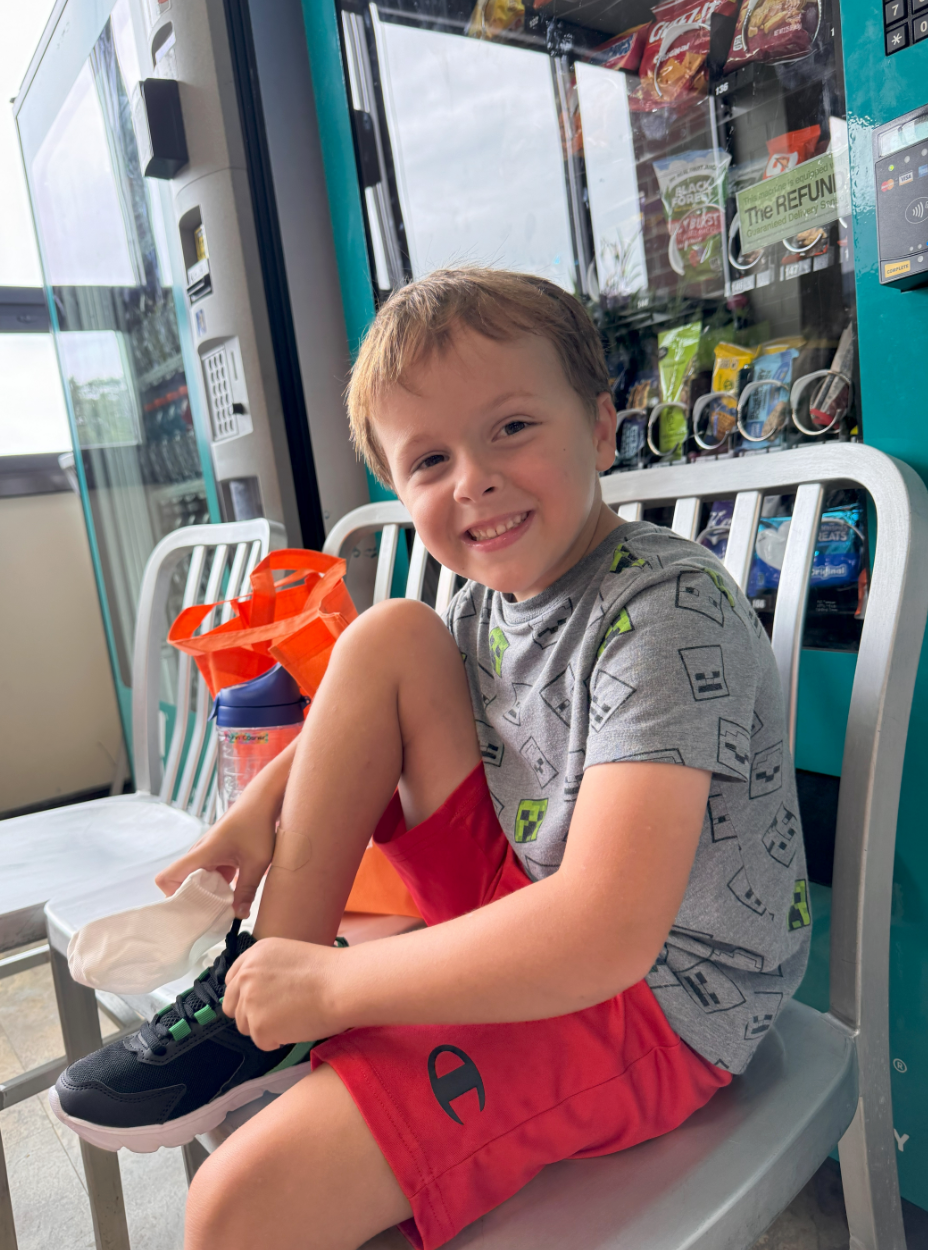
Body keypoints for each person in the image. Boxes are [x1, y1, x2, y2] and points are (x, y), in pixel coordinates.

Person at [52, 268, 810, 1250]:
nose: (473, 480)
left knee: (236, 1204)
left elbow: (604, 930)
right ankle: (258, 1006)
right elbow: (368, 714)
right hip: (523, 893)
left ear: (596, 424)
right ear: (399, 487)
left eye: (509, 429)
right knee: (388, 636)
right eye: (429, 459)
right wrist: (261, 813)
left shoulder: (664, 609)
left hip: (655, 997)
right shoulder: (478, 601)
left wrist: (340, 989)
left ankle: (296, 1001)